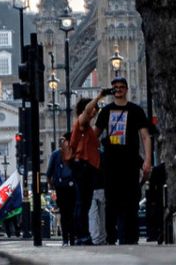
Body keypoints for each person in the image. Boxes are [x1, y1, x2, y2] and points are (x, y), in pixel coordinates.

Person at [94, 77, 152, 245]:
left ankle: (131, 239)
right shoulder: (105, 112)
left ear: (126, 89)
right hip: (111, 164)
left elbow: (145, 136)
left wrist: (147, 160)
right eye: (115, 88)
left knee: (131, 202)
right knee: (111, 203)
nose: (118, 90)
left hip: (131, 162)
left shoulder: (136, 111)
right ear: (112, 91)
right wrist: (98, 98)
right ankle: (111, 239)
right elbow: (94, 136)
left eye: (121, 87)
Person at [69, 93, 104, 245]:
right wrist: (99, 97)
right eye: (93, 109)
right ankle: (82, 235)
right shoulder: (81, 123)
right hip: (83, 166)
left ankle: (82, 235)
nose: (95, 111)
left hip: (88, 168)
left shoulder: (87, 128)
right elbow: (86, 112)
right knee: (82, 203)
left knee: (85, 202)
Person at [46, 132, 76, 245]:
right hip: (70, 186)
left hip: (61, 187)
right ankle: (71, 239)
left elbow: (49, 173)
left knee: (64, 214)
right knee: (71, 213)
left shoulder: (55, 154)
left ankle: (65, 239)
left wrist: (52, 185)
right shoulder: (72, 153)